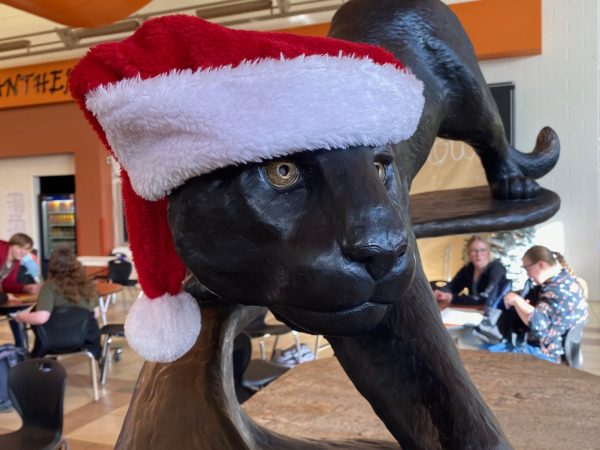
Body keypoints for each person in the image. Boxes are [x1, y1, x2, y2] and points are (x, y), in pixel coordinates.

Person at [493, 245, 589, 363]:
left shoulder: (556, 291)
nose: (528, 274)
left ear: (541, 265)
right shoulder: (565, 281)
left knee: (486, 350)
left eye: (528, 269)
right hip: (554, 346)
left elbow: (538, 326)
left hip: (546, 353)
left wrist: (517, 301)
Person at [14, 247, 101, 360]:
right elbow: (95, 314)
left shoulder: (49, 287)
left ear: (53, 265)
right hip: (86, 340)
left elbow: (41, 318)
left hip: (53, 341)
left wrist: (20, 316)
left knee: (35, 314)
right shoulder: (89, 286)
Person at [433, 235, 508, 308]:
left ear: (488, 253)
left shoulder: (497, 268)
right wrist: (442, 292)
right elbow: (453, 286)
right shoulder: (469, 268)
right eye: (474, 251)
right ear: (468, 254)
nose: (478, 254)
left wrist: (453, 298)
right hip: (471, 309)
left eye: (482, 250)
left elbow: (486, 297)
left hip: (492, 311)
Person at [0, 233, 41, 348]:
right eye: (19, 247)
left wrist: (24, 288)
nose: (23, 252)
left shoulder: (15, 261)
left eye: (27, 249)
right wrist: (6, 296)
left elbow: (8, 284)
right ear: (11, 245)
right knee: (14, 307)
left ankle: (22, 349)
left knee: (16, 307)